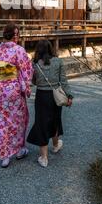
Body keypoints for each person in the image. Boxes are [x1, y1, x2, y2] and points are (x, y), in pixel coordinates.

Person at [0, 23, 33, 168]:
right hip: (14, 91)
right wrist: (27, 87)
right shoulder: (19, 50)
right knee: (18, 121)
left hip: (0, 91)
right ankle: (18, 150)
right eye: (17, 35)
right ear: (15, 35)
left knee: (2, 122)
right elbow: (26, 70)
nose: (18, 37)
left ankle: (4, 156)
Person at [27, 40, 73, 168]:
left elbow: (34, 82)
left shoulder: (35, 64)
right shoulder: (58, 62)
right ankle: (56, 145)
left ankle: (44, 157)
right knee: (55, 120)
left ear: (38, 50)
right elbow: (63, 81)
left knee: (42, 123)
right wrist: (69, 95)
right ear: (51, 49)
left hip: (42, 96)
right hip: (56, 96)